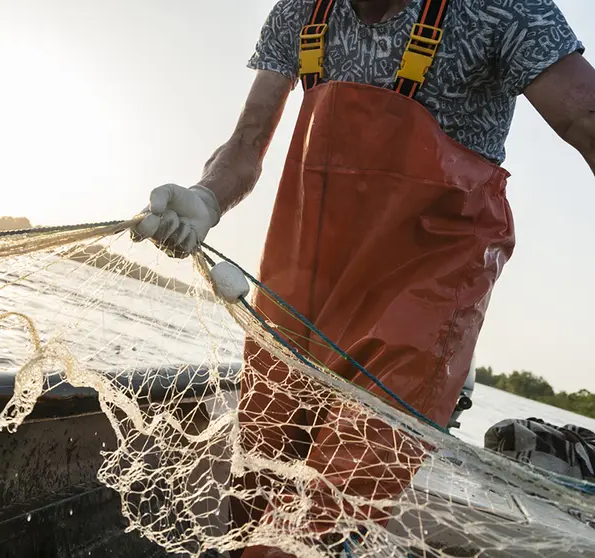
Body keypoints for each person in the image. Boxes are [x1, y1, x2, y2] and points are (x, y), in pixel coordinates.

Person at [131, 0, 594, 555]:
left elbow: (584, 117)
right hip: (300, 290)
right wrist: (207, 197)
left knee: (314, 527)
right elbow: (248, 143)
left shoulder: (501, 10)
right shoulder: (301, 12)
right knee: (253, 496)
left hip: (423, 306)